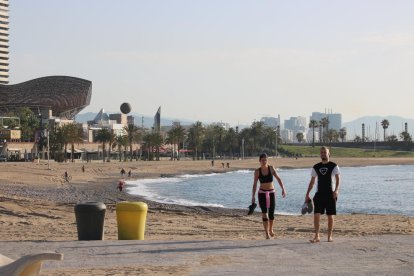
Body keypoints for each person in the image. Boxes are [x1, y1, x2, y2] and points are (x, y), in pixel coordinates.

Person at [305, 146, 341, 243]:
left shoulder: (334, 166)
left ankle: (330, 236)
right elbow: (312, 182)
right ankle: (317, 236)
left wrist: (336, 190)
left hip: (331, 194)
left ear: (329, 153)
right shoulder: (316, 167)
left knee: (330, 216)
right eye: (321, 152)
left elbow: (338, 180)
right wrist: (307, 193)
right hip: (319, 194)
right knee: (316, 215)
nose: (323, 154)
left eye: (325, 152)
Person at [252, 153, 286, 239]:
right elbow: (255, 184)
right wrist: (253, 196)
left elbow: (278, 178)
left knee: (271, 214)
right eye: (262, 160)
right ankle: (266, 233)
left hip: (271, 193)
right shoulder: (257, 171)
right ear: (259, 161)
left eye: (265, 160)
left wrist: (283, 189)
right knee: (264, 213)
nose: (264, 161)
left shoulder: (271, 168)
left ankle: (271, 229)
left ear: (267, 160)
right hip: (262, 193)